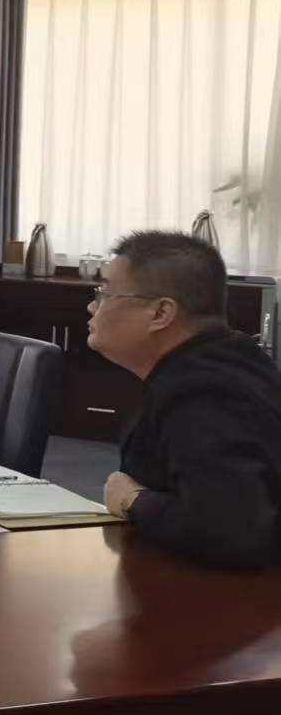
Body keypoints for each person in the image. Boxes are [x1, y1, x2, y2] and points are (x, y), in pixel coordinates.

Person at [91, 230, 281, 569]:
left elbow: (229, 529)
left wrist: (133, 499)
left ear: (160, 313)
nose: (92, 306)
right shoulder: (225, 360)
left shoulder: (205, 391)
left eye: (105, 293)